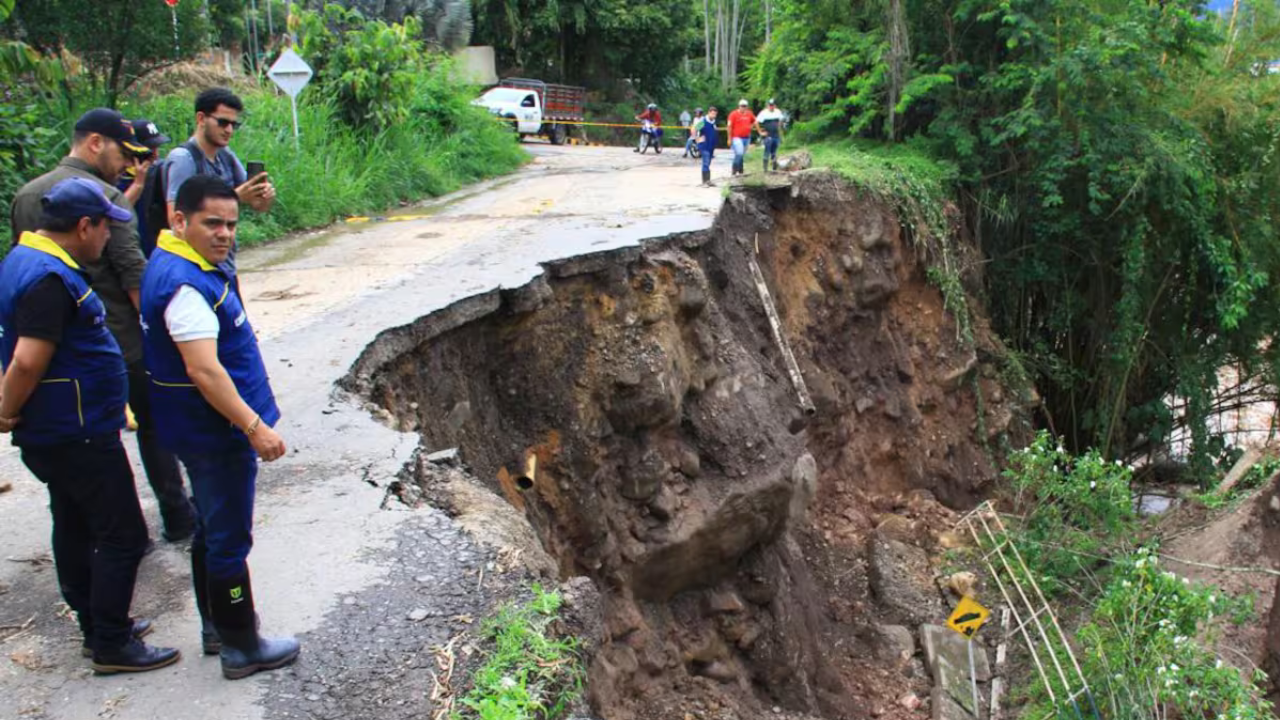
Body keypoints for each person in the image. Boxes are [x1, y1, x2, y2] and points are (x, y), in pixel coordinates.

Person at [0, 178, 181, 674]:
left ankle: (97, 627)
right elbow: (27, 361)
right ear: (84, 226)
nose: (108, 238)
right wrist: (6, 410)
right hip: (73, 430)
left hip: (65, 427)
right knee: (124, 533)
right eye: (106, 228)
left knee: (75, 523)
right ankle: (112, 643)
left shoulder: (23, 259)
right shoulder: (49, 278)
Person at [11, 108, 197, 544]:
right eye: (122, 153)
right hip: (119, 340)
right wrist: (163, 336)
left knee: (86, 445)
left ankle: (96, 530)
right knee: (150, 424)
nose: (128, 164)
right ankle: (173, 515)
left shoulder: (27, 195)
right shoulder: (107, 199)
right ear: (95, 143)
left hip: (54, 346)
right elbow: (133, 276)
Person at [141, 175, 299, 680]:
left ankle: (217, 627)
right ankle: (241, 645)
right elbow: (204, 370)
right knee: (229, 540)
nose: (225, 233)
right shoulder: (187, 285)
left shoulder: (173, 264)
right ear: (179, 220)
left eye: (231, 224)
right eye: (212, 223)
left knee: (211, 529)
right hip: (215, 433)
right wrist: (254, 427)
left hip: (194, 429)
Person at [164, 87, 275, 284]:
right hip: (196, 272)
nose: (229, 130)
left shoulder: (225, 156)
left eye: (234, 124)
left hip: (225, 268)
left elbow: (258, 206)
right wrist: (235, 198)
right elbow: (175, 220)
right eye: (223, 122)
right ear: (201, 119)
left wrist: (263, 196)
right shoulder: (183, 159)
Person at [118, 119, 172, 258]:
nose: (155, 155)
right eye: (149, 150)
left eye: (156, 148)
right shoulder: (119, 180)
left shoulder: (159, 173)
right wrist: (138, 183)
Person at [727, 99, 756, 176]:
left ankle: (741, 171)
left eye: (745, 106)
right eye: (742, 106)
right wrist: (729, 138)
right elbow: (729, 126)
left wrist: (751, 126)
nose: (743, 107)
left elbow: (754, 121)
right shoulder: (733, 114)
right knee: (739, 153)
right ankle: (734, 170)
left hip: (746, 137)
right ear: (739, 106)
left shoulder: (749, 113)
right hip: (736, 137)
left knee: (742, 154)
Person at [757, 99, 785, 172]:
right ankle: (765, 169)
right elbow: (756, 122)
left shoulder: (778, 112)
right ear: (768, 105)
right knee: (767, 150)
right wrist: (760, 132)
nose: (771, 106)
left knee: (774, 151)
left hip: (776, 135)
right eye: (770, 105)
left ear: (775, 105)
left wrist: (781, 134)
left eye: (772, 105)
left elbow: (780, 122)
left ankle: (774, 167)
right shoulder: (764, 113)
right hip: (768, 135)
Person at [697, 107, 720, 187]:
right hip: (704, 146)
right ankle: (704, 182)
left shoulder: (713, 122)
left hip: (711, 146)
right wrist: (697, 139)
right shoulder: (703, 121)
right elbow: (694, 129)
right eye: (712, 113)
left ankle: (708, 180)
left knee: (708, 162)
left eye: (715, 114)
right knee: (706, 163)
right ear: (709, 113)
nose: (714, 115)